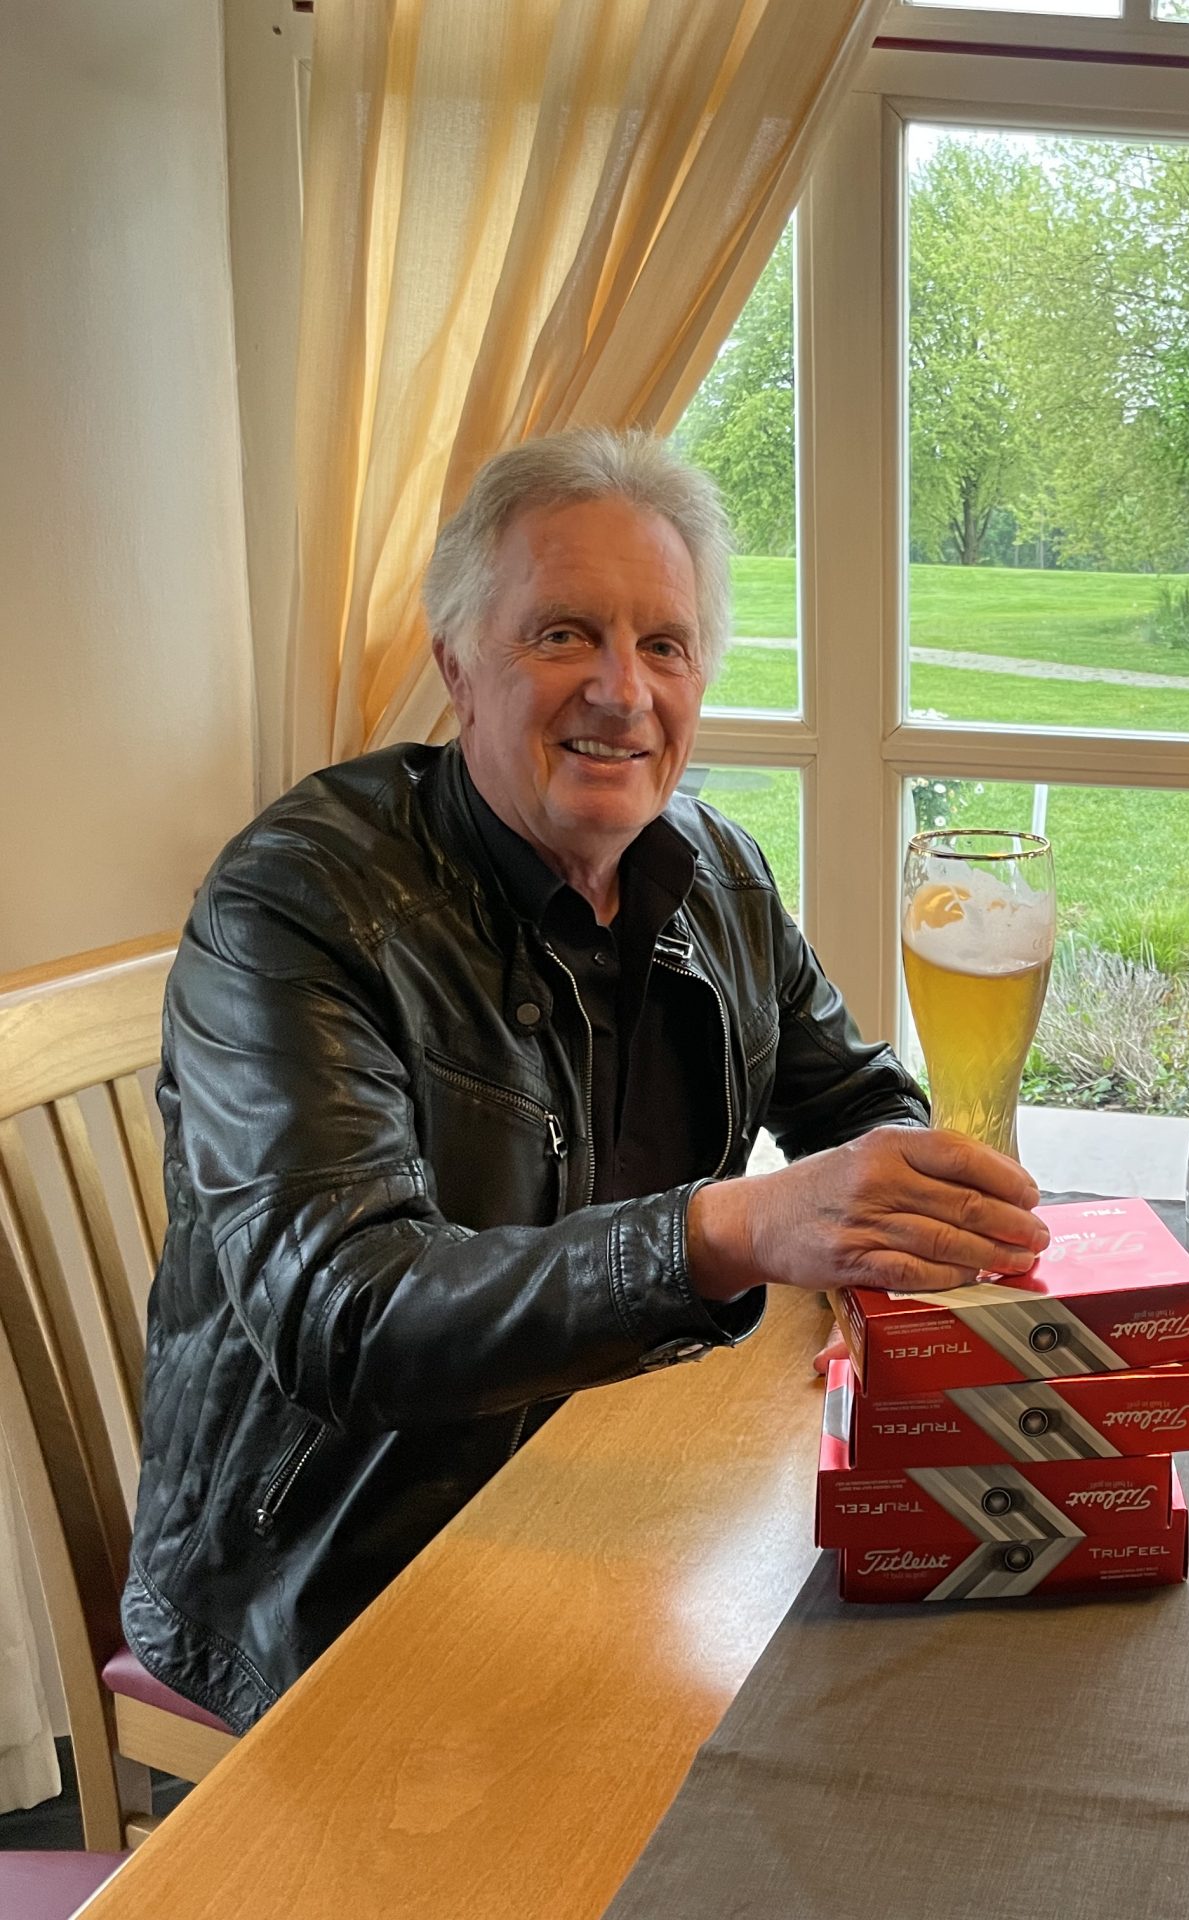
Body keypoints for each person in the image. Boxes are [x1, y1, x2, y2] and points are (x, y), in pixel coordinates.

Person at [123, 428, 1049, 1731]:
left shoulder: (717, 874)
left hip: (619, 1480)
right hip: (335, 1563)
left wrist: (877, 1251)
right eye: (564, 635)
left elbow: (857, 1106)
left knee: (954, 1690)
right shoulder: (298, 904)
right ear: (458, 667)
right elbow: (346, 1312)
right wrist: (728, 1230)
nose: (623, 690)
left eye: (664, 645)